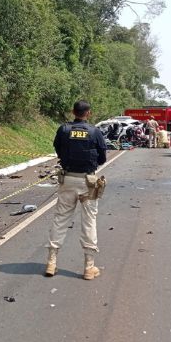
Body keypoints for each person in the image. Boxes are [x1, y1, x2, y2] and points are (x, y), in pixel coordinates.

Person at [47, 100, 107, 280]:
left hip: (67, 180)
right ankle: (89, 267)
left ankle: (51, 262)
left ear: (73, 112)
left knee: (60, 219)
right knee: (89, 222)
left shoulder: (64, 130)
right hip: (88, 182)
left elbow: (57, 149)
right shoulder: (95, 132)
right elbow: (103, 156)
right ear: (88, 113)